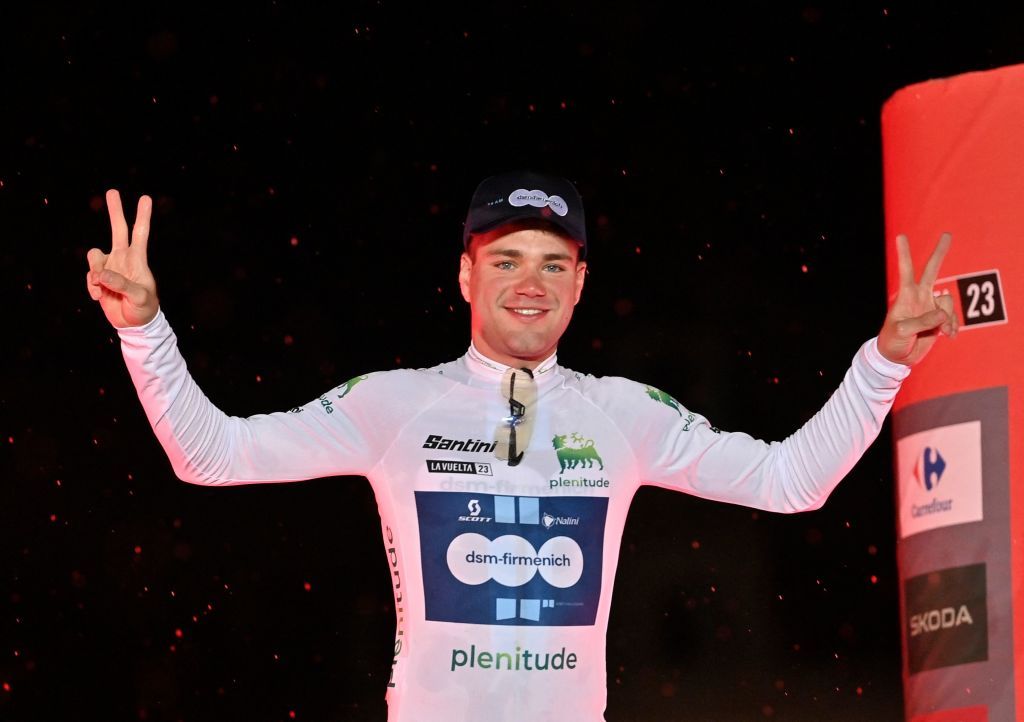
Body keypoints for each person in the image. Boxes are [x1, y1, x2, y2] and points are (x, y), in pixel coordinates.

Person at [85, 170, 957, 721]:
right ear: (465, 276)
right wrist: (145, 331)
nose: (529, 284)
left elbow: (789, 481)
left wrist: (882, 364)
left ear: (581, 285)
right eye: (505, 261)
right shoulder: (395, 404)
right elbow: (212, 454)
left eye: (551, 263)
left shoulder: (625, 414)